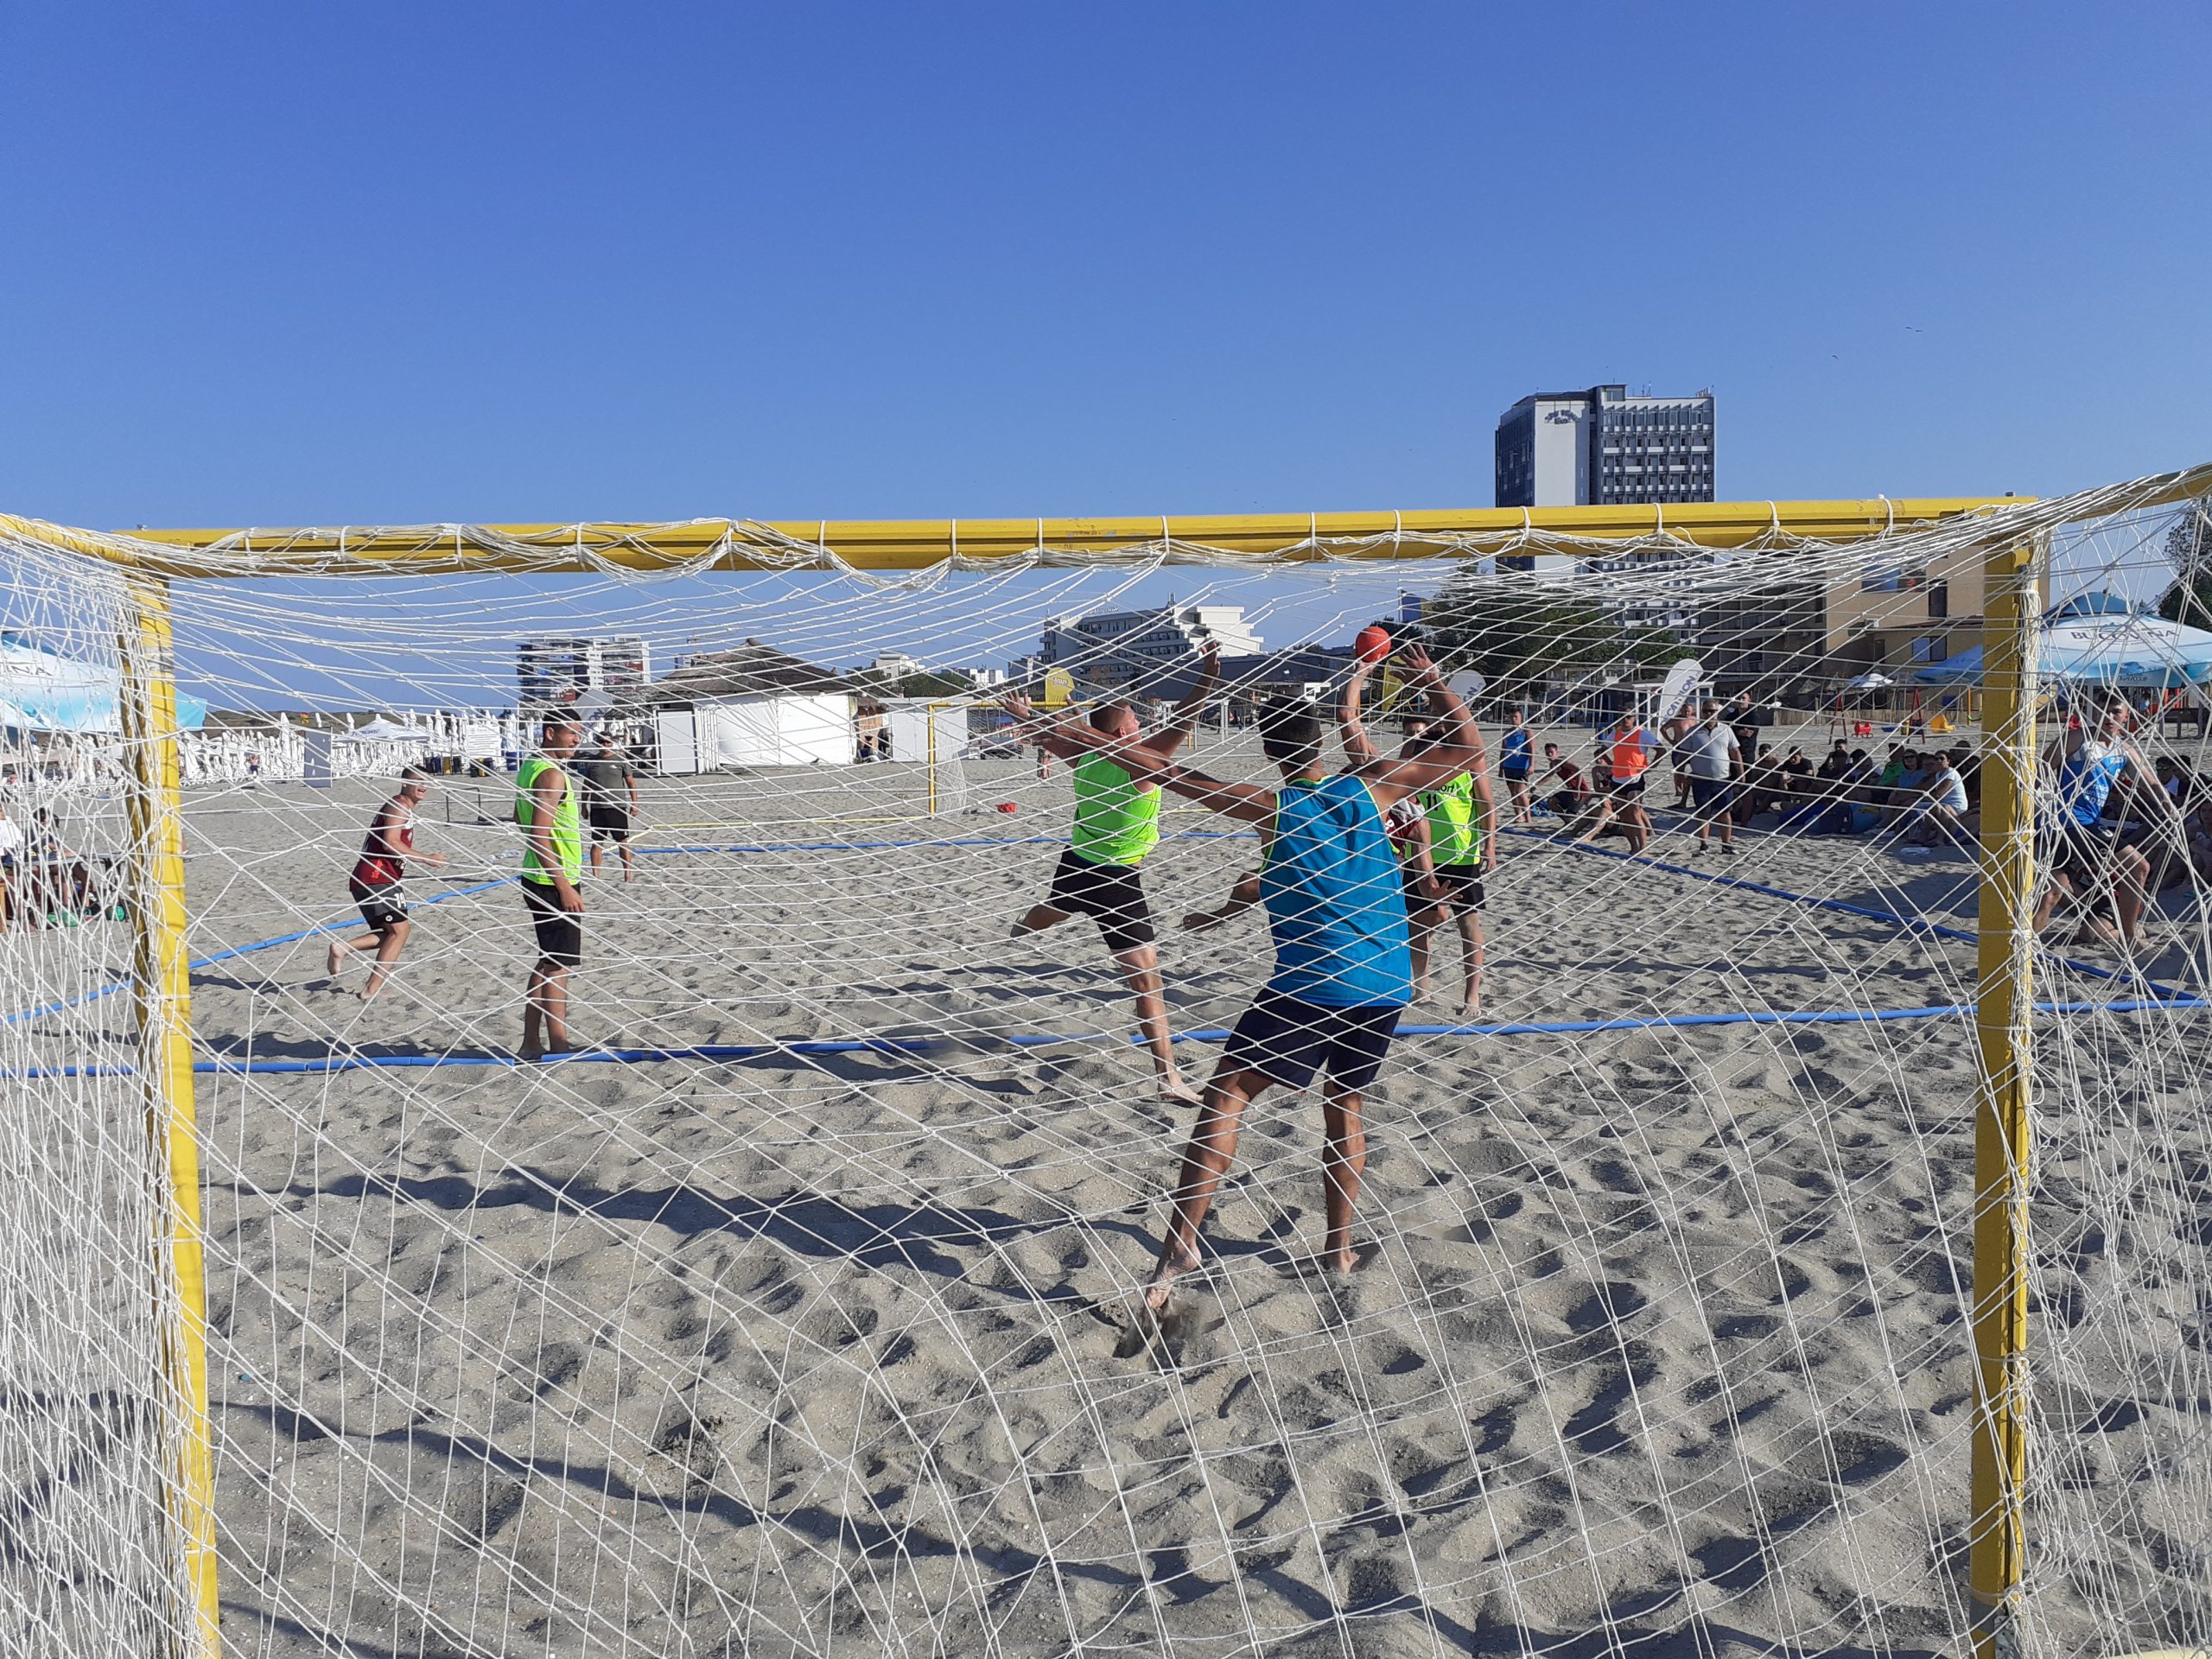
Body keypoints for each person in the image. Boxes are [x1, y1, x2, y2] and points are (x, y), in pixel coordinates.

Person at [1061, 646, 1481, 1319]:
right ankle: (1338, 1249)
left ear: (1268, 748)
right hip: (1387, 983)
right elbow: (1469, 748)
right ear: (1322, 742)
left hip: (1315, 983)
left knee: (1224, 1099)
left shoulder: (1270, 807)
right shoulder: (1376, 787)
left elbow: (1162, 769)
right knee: (1345, 1109)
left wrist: (1068, 732)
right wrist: (1428, 677)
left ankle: (1181, 1244)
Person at [997, 649, 1221, 1104]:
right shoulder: (1144, 760)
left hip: (1076, 861)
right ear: (1123, 732)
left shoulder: (1084, 757)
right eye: (1137, 722)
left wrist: (1027, 714)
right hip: (1116, 879)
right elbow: (1187, 719)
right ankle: (1168, 1079)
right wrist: (1208, 677)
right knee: (1147, 981)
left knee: (1053, 911)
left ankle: (1013, 932)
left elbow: (1049, 736)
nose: (1142, 726)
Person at [1339, 671, 1496, 1012]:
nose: (1414, 735)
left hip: (1460, 852)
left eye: (1419, 730)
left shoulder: (1464, 761)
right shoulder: (1405, 769)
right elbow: (1352, 731)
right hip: (1418, 852)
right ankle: (1421, 989)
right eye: (1409, 733)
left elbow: (1486, 802)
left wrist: (1490, 845)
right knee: (1422, 922)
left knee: (1467, 924)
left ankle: (1472, 995)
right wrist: (1362, 672)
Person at [2033, 696, 2152, 949]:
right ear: (2094, 714)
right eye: (2103, 711)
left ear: (2125, 717)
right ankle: (2129, 937)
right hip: (2069, 821)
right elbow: (2043, 766)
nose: (2109, 716)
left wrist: (2169, 804)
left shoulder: (2124, 749)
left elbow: (2148, 782)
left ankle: (2025, 949)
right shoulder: (2078, 739)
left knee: (2053, 891)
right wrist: (2038, 800)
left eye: (2115, 712)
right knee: (2138, 866)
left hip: (2083, 824)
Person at [326, 766, 446, 1000]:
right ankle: (371, 989)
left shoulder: (405, 807)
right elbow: (390, 842)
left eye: (427, 782)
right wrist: (426, 858)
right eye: (417, 781)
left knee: (394, 933)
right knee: (400, 932)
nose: (423, 786)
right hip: (374, 877)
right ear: (403, 783)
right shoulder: (399, 804)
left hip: (376, 878)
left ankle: (343, 948)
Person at [518, 718, 588, 1060]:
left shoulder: (529, 767)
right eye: (570, 733)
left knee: (548, 961)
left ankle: (531, 1043)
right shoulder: (551, 773)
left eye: (579, 734)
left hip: (540, 875)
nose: (577, 739)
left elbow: (520, 818)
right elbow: (536, 833)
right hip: (551, 880)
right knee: (558, 966)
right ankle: (558, 1045)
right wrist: (565, 887)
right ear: (550, 733)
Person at [1670, 701, 1741, 855]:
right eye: (1706, 711)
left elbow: (1735, 752)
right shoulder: (1693, 731)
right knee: (1703, 813)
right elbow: (1685, 754)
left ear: (1717, 712)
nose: (1708, 714)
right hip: (1701, 779)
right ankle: (1704, 845)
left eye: (1711, 711)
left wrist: (1741, 773)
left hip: (1723, 779)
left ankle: (1726, 844)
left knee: (1724, 812)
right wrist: (1680, 772)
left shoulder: (1726, 730)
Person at [577, 733, 642, 883]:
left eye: (607, 742)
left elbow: (631, 783)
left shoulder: (620, 760)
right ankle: (596, 875)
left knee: (622, 841)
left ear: (612, 743)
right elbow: (586, 786)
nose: (605, 745)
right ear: (597, 743)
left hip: (617, 807)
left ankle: (627, 874)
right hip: (598, 808)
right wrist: (584, 806)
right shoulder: (592, 763)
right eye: (602, 742)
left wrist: (635, 803)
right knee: (597, 842)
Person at [1599, 712, 1661, 851]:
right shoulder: (1615, 734)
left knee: (1635, 814)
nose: (1625, 720)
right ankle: (1634, 847)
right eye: (1622, 717)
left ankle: (1643, 848)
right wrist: (1612, 764)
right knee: (1624, 816)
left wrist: (1651, 766)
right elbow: (1602, 750)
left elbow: (1661, 750)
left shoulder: (1642, 733)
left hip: (1635, 779)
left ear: (1634, 719)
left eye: (1628, 717)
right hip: (1618, 778)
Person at [1541, 742, 1610, 842]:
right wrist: (1536, 785)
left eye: (1551, 752)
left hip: (1581, 792)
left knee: (1578, 812)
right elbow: (1550, 776)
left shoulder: (1563, 761)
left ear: (1557, 752)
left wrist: (1577, 790)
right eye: (1547, 753)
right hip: (1571, 791)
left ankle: (1582, 826)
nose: (1549, 755)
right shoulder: (1553, 764)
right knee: (1551, 801)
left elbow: (1579, 771)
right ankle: (1568, 822)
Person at [1497, 706, 1535, 826]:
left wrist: (1531, 765)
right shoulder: (1507, 733)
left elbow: (1532, 750)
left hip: (1521, 766)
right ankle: (1519, 816)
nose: (1514, 719)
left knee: (1520, 792)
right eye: (1511, 717)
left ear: (1521, 718)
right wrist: (1500, 768)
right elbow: (1503, 750)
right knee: (1513, 792)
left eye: (1516, 717)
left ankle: (1528, 817)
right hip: (1509, 766)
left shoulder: (1526, 731)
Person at [0, 800, 20, 930]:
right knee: (14, 879)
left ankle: (38, 912)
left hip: (13, 860)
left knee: (37, 872)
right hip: (3, 862)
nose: (3, 810)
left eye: (4, 806)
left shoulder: (8, 821)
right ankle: (20, 915)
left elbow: (19, 841)